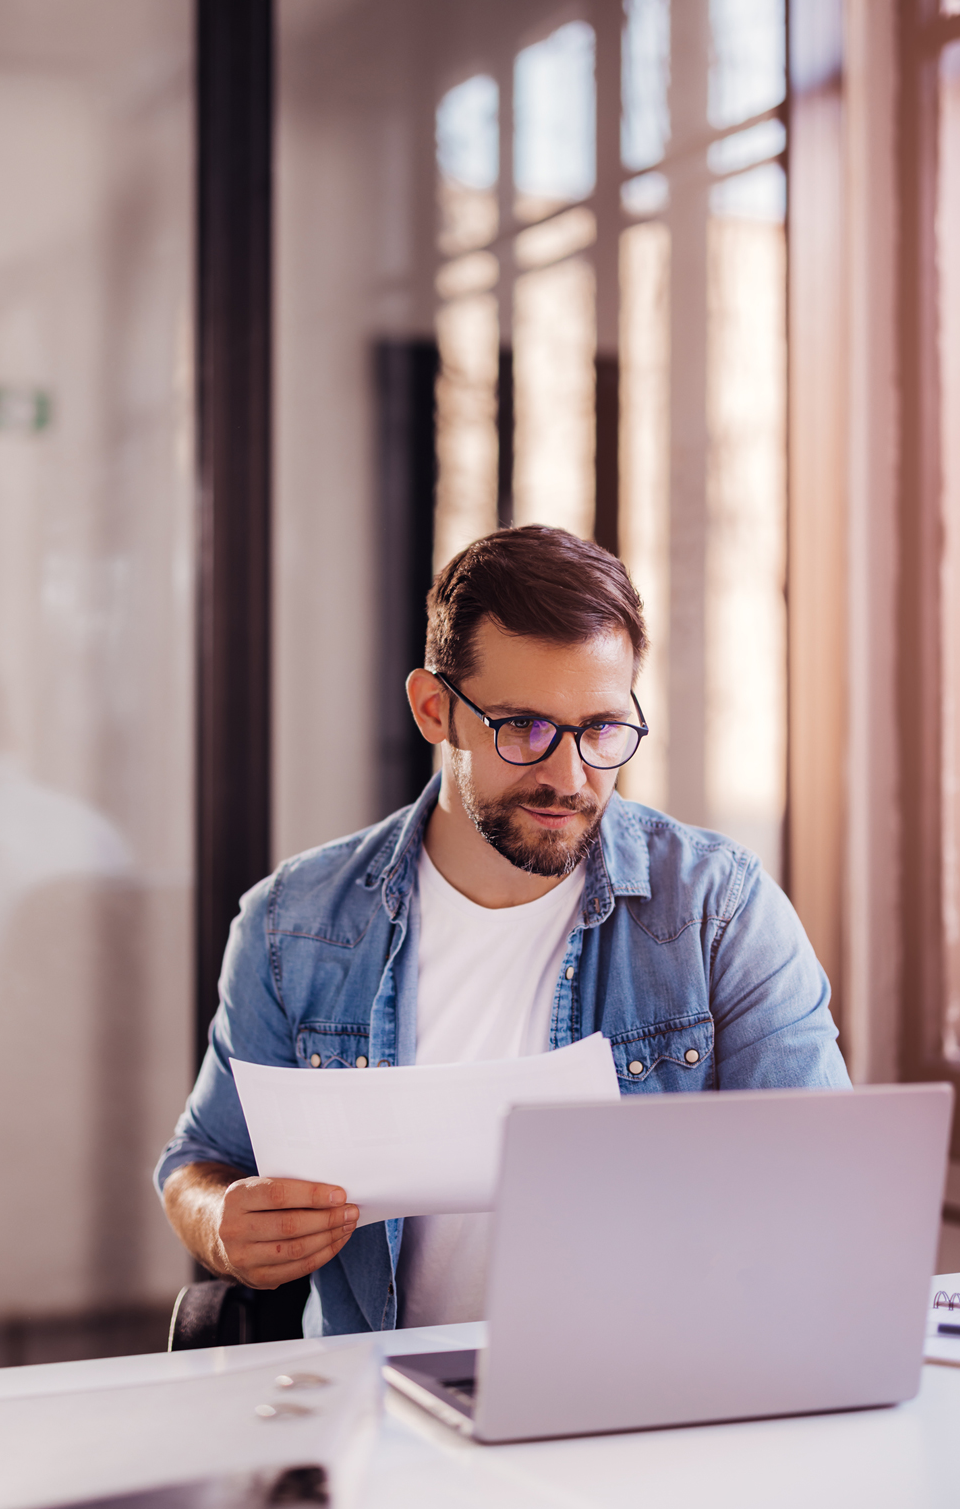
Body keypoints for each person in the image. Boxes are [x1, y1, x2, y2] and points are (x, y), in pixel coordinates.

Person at [156, 525, 850, 1336]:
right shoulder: (294, 922)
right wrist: (222, 1221)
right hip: (383, 1412)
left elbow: (822, 1196)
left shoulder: (718, 910)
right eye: (523, 728)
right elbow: (198, 1162)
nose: (568, 775)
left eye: (600, 729)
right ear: (433, 708)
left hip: (648, 1405)